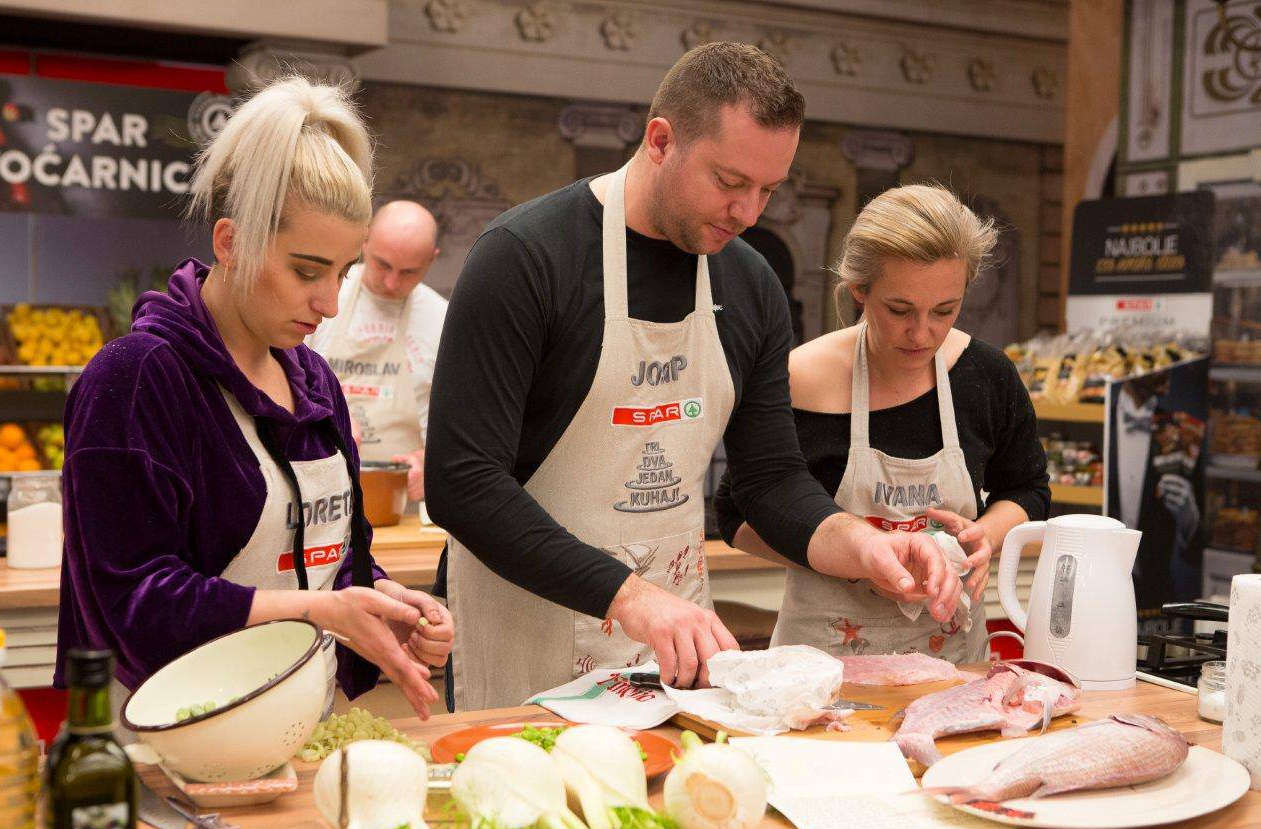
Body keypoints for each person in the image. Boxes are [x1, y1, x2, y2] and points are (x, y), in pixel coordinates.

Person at [426, 43, 962, 712]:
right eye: (729, 181)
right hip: (525, 641)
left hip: (673, 655)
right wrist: (628, 594)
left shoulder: (750, 286)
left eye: (768, 189)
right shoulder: (527, 259)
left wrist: (861, 541)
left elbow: (769, 481)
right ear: (660, 141)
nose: (748, 213)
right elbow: (462, 483)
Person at [54, 77, 454, 724]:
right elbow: (129, 603)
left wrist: (386, 604)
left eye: (341, 273)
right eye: (305, 271)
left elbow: (334, 560)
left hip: (301, 727)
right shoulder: (137, 379)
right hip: (171, 746)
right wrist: (321, 611)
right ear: (229, 242)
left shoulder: (313, 383)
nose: (328, 303)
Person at [716, 185, 1051, 662]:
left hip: (953, 668)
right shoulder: (802, 378)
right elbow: (736, 515)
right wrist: (853, 560)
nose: (922, 333)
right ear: (859, 288)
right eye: (899, 310)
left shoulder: (986, 375)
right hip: (823, 667)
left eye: (944, 311)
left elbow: (1028, 489)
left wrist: (986, 535)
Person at [308, 201, 447, 502]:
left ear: (431, 259)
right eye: (382, 264)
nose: (391, 282)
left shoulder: (443, 320)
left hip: (404, 502)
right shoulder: (321, 299)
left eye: (409, 272)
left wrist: (434, 464)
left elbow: (462, 424)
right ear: (365, 240)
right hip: (320, 493)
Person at [1110, 370, 1205, 612]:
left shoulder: (1182, 430)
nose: (1167, 367)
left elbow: (1197, 548)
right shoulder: (1096, 417)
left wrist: (1189, 518)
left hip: (1157, 598)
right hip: (1094, 589)